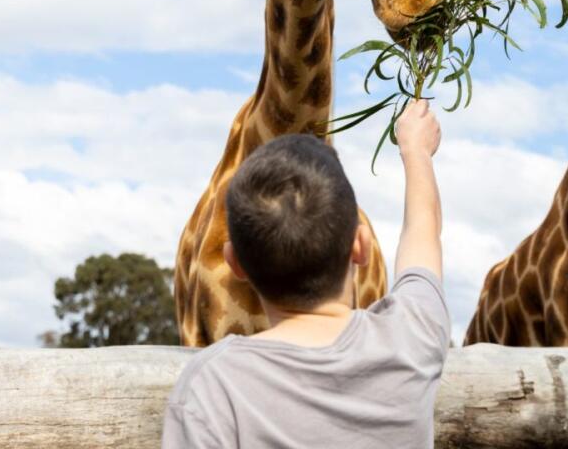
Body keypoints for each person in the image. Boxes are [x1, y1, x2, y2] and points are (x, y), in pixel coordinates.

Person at [162, 100, 447, 448]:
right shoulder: (412, 337)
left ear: (233, 262)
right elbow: (424, 230)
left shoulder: (211, 386)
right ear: (361, 244)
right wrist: (416, 151)